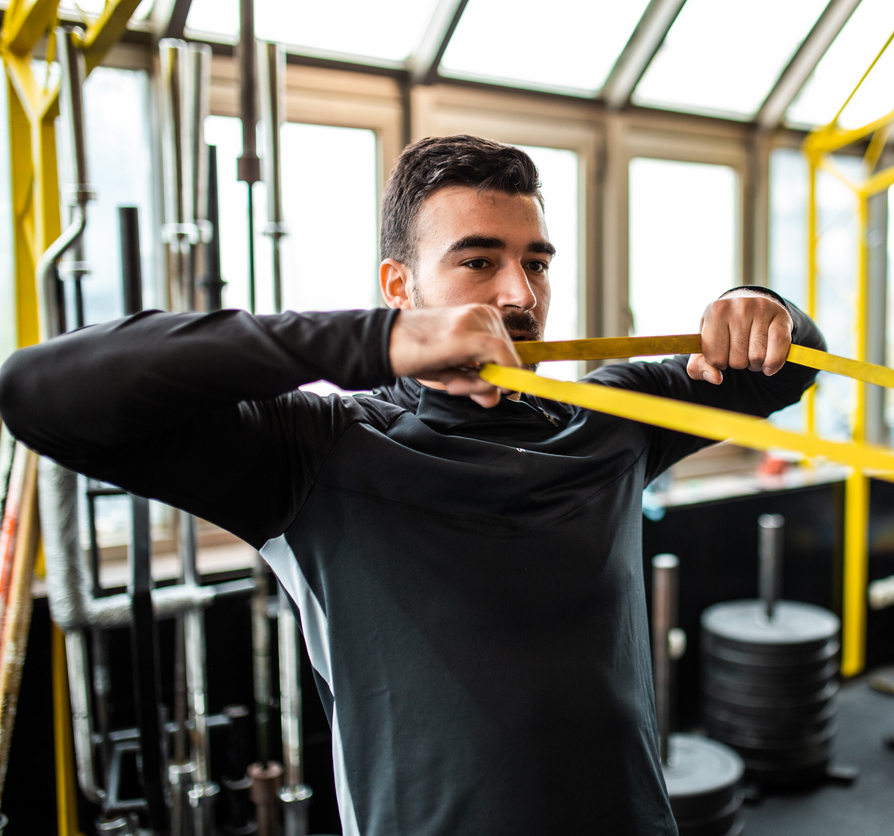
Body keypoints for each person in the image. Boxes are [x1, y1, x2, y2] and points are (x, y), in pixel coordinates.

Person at [0, 135, 824, 836]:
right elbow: (42, 390)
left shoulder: (612, 411)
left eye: (536, 263)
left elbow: (782, 370)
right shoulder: (317, 449)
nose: (520, 294)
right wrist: (379, 343)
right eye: (479, 261)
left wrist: (760, 306)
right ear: (400, 288)